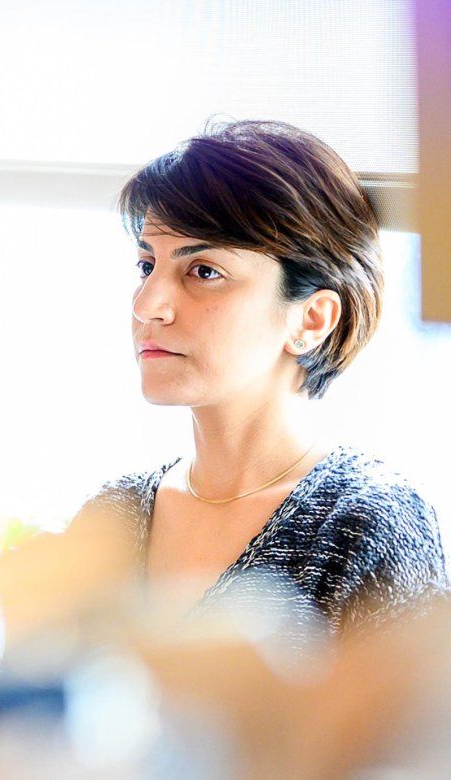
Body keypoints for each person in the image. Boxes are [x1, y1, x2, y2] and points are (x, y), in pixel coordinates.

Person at [77, 120, 447, 646]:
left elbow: (419, 727)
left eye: (203, 271)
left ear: (311, 319)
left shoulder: (365, 524)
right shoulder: (110, 517)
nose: (147, 306)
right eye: (146, 265)